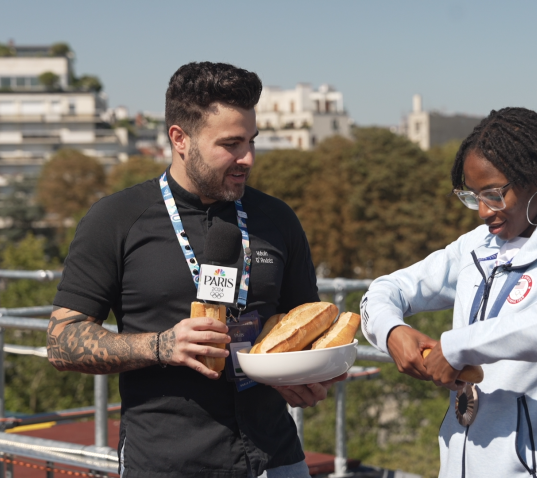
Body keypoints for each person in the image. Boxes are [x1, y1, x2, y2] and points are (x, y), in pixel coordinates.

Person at [47, 62, 342, 478]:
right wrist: (161, 346)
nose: (248, 158)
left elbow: (307, 326)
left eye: (252, 141)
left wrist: (309, 373)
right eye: (231, 144)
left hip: (275, 458)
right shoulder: (115, 218)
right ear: (179, 138)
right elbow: (61, 341)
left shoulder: (277, 219)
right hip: (166, 462)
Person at [360, 107, 537, 478]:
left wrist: (459, 345)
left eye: (495, 194)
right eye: (473, 196)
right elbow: (384, 291)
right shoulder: (479, 244)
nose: (482, 211)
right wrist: (390, 332)